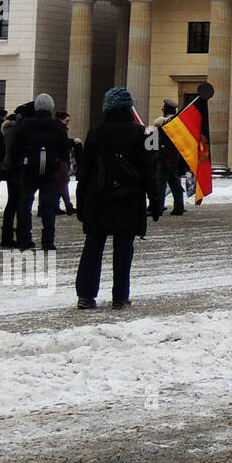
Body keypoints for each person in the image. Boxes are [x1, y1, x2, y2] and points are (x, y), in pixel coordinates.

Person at [75, 86, 160, 310]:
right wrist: (156, 199)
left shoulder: (95, 132)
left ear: (107, 108)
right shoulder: (142, 133)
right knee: (123, 249)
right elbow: (148, 169)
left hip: (98, 197)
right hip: (129, 198)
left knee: (93, 247)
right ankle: (120, 297)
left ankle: (85, 295)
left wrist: (80, 201)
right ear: (128, 108)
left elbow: (85, 171)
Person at [14, 93, 70, 252]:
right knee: (48, 207)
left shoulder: (25, 125)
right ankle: (47, 241)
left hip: (29, 170)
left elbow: (16, 150)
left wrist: (18, 167)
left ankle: (24, 239)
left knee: (24, 204)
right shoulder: (58, 126)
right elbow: (64, 153)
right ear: (51, 107)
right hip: (49, 171)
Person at [0, 103, 32, 248]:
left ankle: (6, 236)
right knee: (20, 203)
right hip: (19, 169)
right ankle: (21, 236)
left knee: (12, 203)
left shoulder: (10, 129)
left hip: (10, 169)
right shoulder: (22, 130)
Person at [153, 101, 187, 216]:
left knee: (160, 184)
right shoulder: (178, 124)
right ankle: (179, 207)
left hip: (163, 157)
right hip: (174, 158)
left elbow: (155, 140)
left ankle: (158, 208)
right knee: (175, 184)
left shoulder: (165, 124)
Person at [56, 111, 79, 215]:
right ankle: (68, 206)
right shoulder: (60, 128)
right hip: (61, 160)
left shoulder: (57, 127)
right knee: (63, 184)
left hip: (57, 159)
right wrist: (73, 142)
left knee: (58, 184)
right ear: (61, 119)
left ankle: (57, 206)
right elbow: (63, 143)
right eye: (67, 121)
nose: (68, 123)